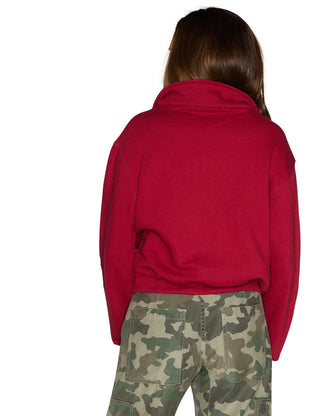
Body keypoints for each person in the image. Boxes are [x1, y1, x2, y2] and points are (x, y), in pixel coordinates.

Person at [99, 6, 301, 416]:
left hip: (156, 314)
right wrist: (270, 337)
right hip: (241, 322)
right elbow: (285, 253)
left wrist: (128, 324)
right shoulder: (269, 140)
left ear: (180, 59)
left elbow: (114, 242)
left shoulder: (140, 133)